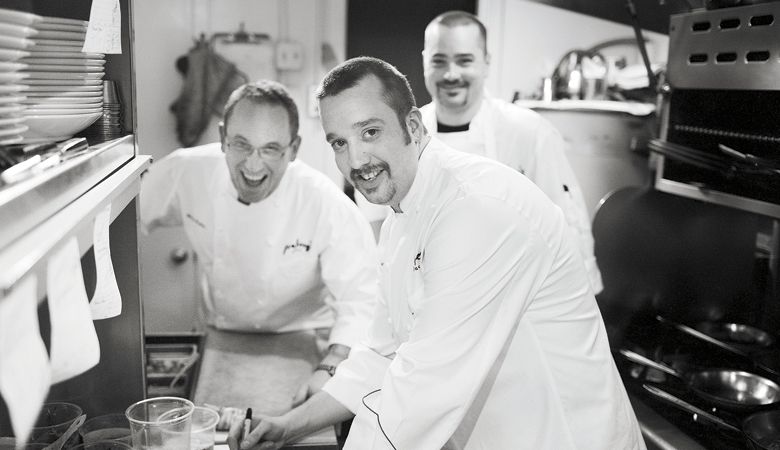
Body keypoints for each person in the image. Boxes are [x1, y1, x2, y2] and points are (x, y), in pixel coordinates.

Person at [229, 58, 644, 449]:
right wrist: (291, 425)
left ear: (412, 125)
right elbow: (381, 355)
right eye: (339, 142)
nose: (355, 159)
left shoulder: (476, 209)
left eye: (370, 132)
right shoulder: (401, 217)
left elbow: (421, 391)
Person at [140, 80, 379, 405]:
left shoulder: (324, 203)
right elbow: (126, 216)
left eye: (270, 149)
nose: (253, 165)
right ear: (223, 138)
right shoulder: (187, 171)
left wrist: (332, 364)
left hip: (303, 334)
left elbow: (362, 298)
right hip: (221, 333)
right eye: (241, 144)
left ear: (293, 148)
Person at [418, 11, 603, 293]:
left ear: (486, 63)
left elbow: (566, 223)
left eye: (464, 60)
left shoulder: (527, 131)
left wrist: (578, 298)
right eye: (439, 61)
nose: (450, 74)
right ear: (424, 62)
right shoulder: (409, 135)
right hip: (432, 295)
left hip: (513, 294)